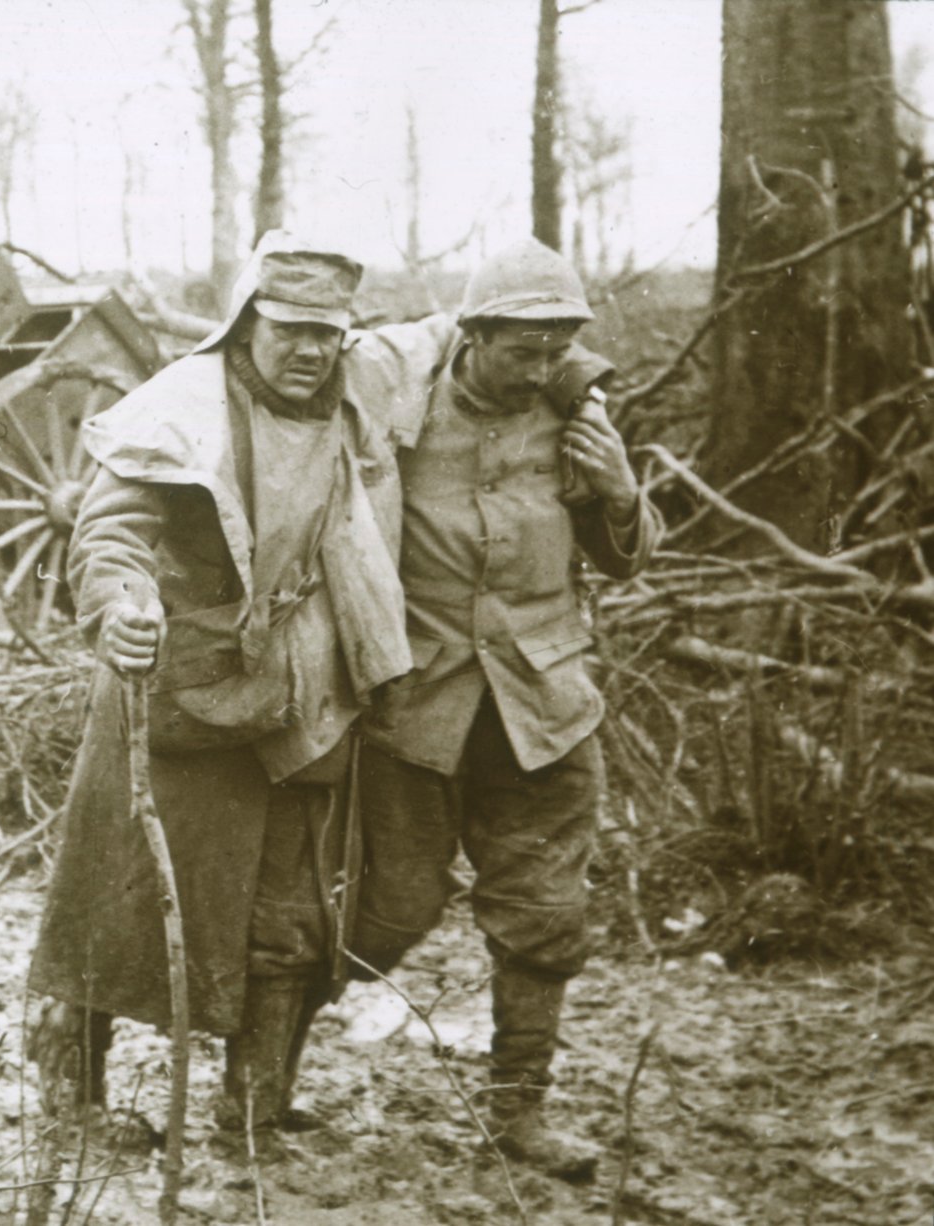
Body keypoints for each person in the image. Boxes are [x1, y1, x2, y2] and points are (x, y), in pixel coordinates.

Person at [28, 232, 412, 1131]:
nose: (311, 351)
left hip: (308, 688)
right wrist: (121, 604)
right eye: (290, 330)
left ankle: (254, 1105)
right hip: (182, 689)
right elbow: (112, 532)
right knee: (120, 897)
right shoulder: (181, 407)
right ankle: (70, 1092)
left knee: (293, 901)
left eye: (328, 333)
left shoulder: (352, 402)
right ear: (247, 322)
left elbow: (451, 345)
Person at [346, 238, 663, 1180]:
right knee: (384, 912)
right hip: (420, 706)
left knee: (545, 915)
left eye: (557, 346)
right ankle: (263, 1087)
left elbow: (629, 555)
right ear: (472, 335)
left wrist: (618, 487)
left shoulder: (579, 411)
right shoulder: (400, 406)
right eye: (522, 348)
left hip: (544, 710)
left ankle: (517, 1115)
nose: (541, 367)